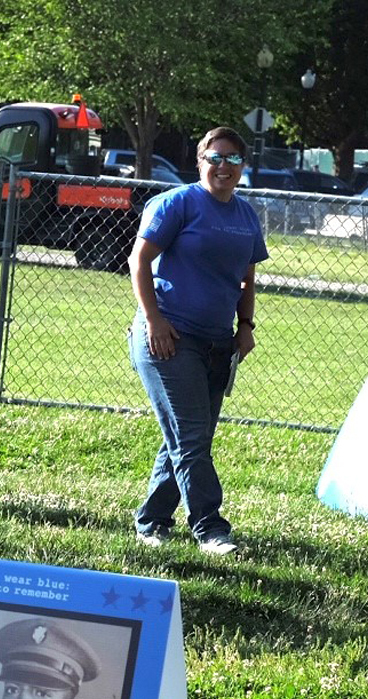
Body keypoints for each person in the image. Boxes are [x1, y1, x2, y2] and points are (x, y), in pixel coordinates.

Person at [128, 126, 266, 556]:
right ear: (200, 162)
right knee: (189, 435)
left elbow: (247, 275)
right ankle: (210, 528)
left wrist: (245, 326)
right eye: (215, 158)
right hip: (168, 338)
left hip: (217, 343)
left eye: (232, 159)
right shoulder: (178, 204)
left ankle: (151, 522)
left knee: (189, 438)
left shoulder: (245, 216)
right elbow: (139, 260)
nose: (223, 166)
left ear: (243, 166)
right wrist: (154, 320)